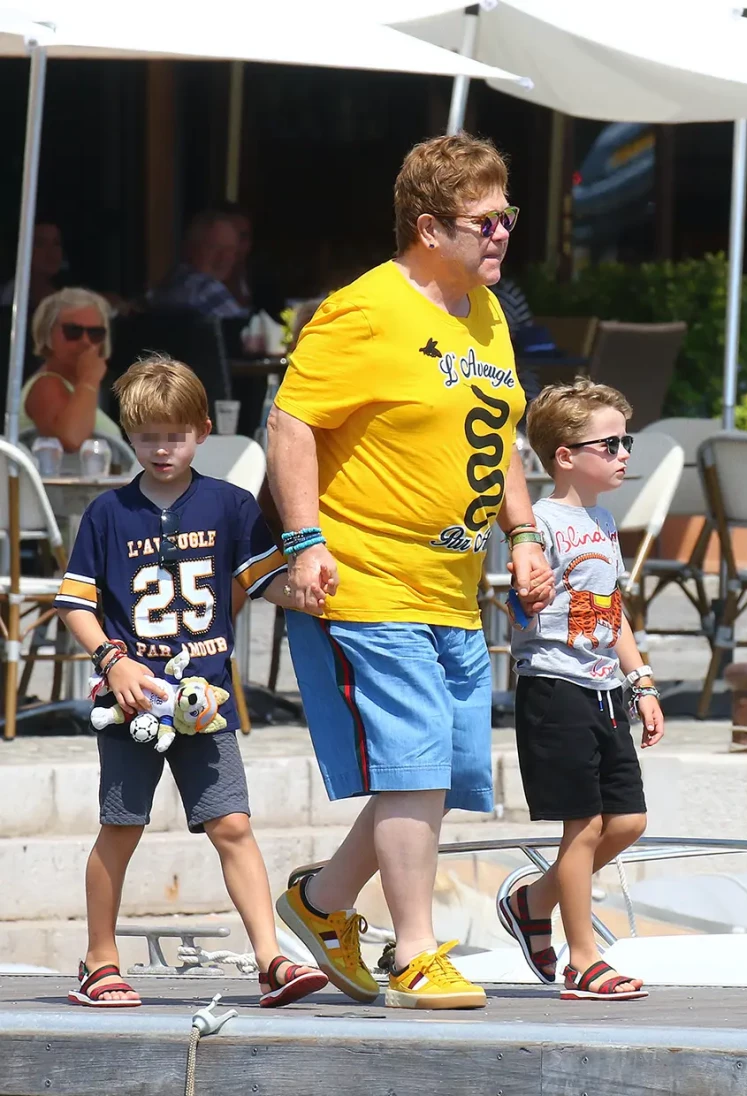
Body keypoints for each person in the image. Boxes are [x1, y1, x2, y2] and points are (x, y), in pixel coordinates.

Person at [267, 133, 554, 1010]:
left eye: (509, 216)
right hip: (370, 578)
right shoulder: (363, 311)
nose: (502, 233)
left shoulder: (487, 311)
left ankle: (320, 905)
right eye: (485, 220)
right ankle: (415, 951)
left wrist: (527, 531)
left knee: (440, 774)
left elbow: (497, 432)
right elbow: (291, 424)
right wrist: (303, 541)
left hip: (454, 590)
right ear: (429, 227)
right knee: (415, 766)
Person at [54, 356, 328, 1009]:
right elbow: (74, 604)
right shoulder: (106, 513)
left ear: (203, 430)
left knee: (233, 824)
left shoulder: (230, 506)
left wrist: (315, 586)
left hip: (203, 700)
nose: (161, 449)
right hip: (132, 702)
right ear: (129, 435)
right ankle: (100, 958)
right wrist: (113, 662)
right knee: (120, 827)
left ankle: (270, 959)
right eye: (147, 437)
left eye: (175, 435)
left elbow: (267, 584)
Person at [501, 378, 664, 1001]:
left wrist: (640, 679)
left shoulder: (600, 520)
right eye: (612, 443)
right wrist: (525, 596)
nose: (625, 454)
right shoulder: (537, 522)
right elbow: (519, 604)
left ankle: (531, 902)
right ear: (565, 454)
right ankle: (583, 959)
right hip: (555, 688)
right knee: (585, 824)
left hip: (603, 688)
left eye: (627, 441)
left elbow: (611, 607)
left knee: (628, 821)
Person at [22, 287, 122, 452]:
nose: (86, 342)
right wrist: (89, 379)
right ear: (47, 334)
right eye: (73, 331)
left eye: (95, 333)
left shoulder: (76, 390)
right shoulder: (45, 384)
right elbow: (72, 440)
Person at [149, 211, 248, 319]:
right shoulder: (203, 288)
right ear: (191, 249)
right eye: (214, 248)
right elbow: (248, 331)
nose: (224, 258)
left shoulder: (170, 282)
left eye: (230, 250)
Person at [1, 221, 65, 309]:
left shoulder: (69, 300)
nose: (51, 251)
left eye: (56, 243)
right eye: (40, 243)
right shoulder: (7, 297)